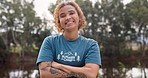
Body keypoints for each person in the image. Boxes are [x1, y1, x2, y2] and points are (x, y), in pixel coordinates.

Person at [36, 1, 101, 78]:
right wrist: (81, 72)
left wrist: (59, 66)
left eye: (71, 13)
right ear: (59, 22)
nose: (68, 17)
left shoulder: (91, 45)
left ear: (79, 17)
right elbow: (44, 74)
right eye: (63, 16)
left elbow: (91, 74)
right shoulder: (50, 42)